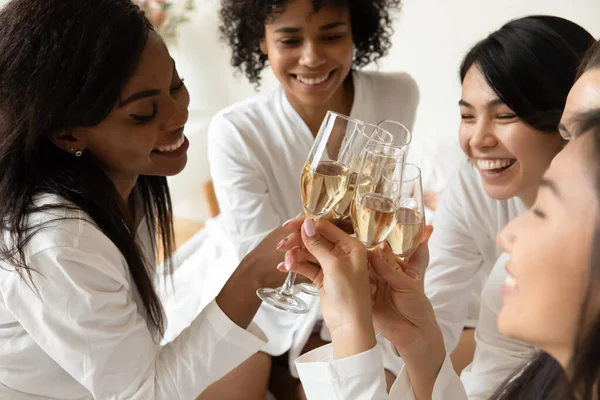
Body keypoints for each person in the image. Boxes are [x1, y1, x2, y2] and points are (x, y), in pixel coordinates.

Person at [0, 1, 297, 398]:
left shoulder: (121, 176)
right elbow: (144, 392)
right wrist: (253, 274)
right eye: (143, 113)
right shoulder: (58, 244)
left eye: (176, 84)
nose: (178, 115)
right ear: (68, 134)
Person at [290, 38, 600, 399]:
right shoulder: (508, 281)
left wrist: (349, 328)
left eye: (504, 114)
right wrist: (416, 340)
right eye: (569, 132)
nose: (478, 139)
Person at [371, 16, 594, 392]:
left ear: (566, 117)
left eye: (505, 115)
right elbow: (435, 319)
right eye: (466, 116)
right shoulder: (471, 187)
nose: (477, 139)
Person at [207, 0, 417, 397]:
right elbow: (259, 253)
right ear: (261, 43)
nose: (311, 58)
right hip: (267, 288)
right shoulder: (235, 130)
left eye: (332, 36)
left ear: (357, 33)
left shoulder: (397, 94)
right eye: (289, 40)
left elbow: (382, 206)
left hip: (356, 283)